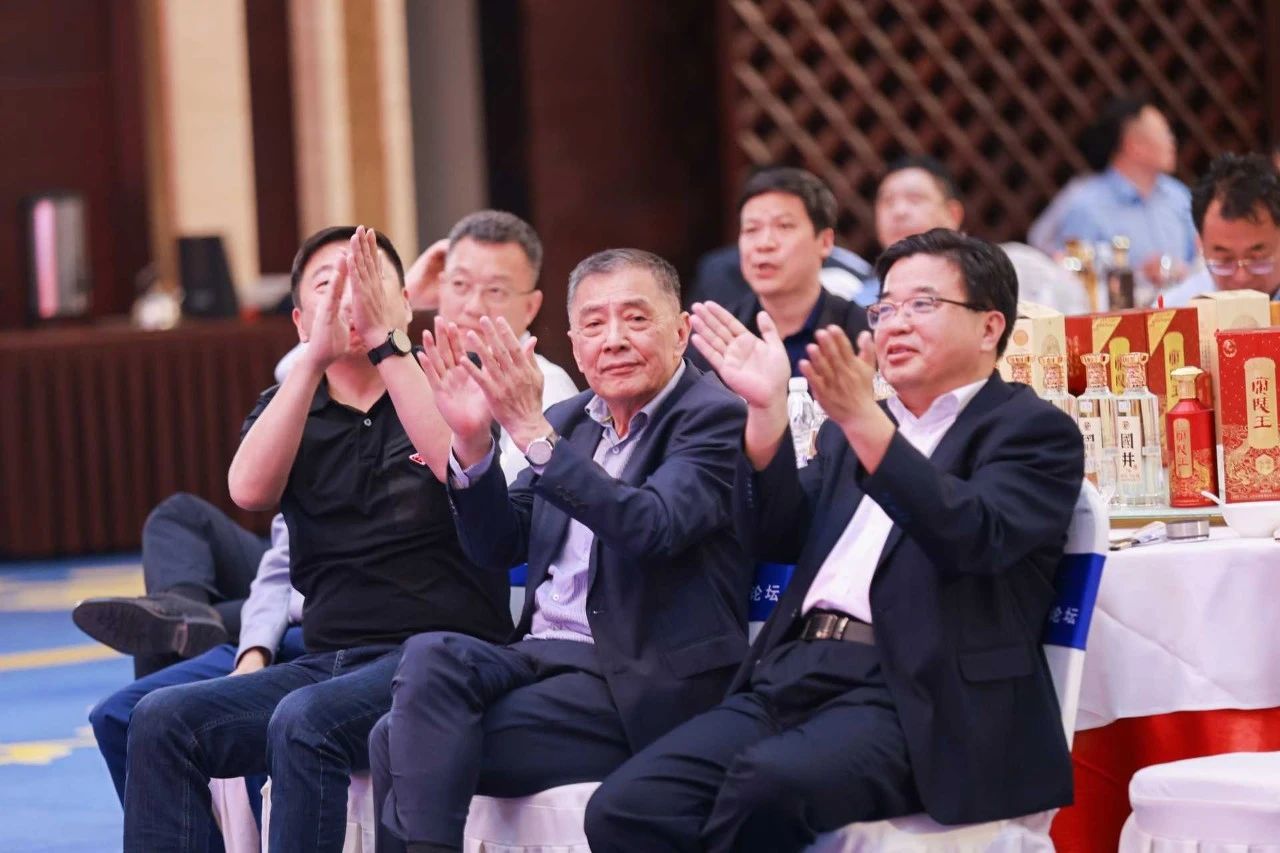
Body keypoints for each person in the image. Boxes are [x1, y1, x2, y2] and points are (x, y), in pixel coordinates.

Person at [585, 229, 1085, 852]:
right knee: (627, 808)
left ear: (990, 327)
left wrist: (864, 421)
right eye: (886, 308)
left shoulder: (1032, 431)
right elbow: (778, 533)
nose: (896, 323)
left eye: (922, 304)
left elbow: (971, 535)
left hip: (917, 697)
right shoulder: (853, 436)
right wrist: (765, 411)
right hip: (793, 672)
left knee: (767, 787)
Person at [121, 226, 514, 853]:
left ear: (402, 304)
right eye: (329, 287)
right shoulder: (291, 403)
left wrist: (387, 345)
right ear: (302, 319)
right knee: (161, 719)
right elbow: (248, 490)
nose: (349, 298)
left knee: (305, 720)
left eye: (366, 283)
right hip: (329, 659)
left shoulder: (448, 383)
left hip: (442, 656)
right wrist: (310, 361)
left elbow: (455, 467)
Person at [369, 248, 752, 853]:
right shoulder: (571, 420)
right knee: (429, 656)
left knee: (395, 741)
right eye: (594, 324)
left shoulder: (713, 416)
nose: (614, 339)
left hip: (640, 680)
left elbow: (652, 527)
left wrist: (532, 434)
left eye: (636, 319)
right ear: (575, 345)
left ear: (680, 332)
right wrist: (471, 444)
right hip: (542, 656)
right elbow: (498, 545)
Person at [688, 167, 871, 377]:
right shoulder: (714, 340)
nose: (764, 244)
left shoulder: (863, 332)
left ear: (825, 242)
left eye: (784, 226)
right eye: (751, 229)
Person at [1053, 97, 1198, 288]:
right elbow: (1071, 280)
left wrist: (1182, 271)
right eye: (1164, 132)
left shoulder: (1179, 196)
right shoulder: (1087, 206)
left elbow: (1199, 261)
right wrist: (1139, 276)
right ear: (1134, 145)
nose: (1172, 141)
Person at [1156, 152, 1280, 305]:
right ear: (1200, 245)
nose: (1241, 278)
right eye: (1225, 261)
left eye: (1257, 258)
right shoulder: (1177, 310)